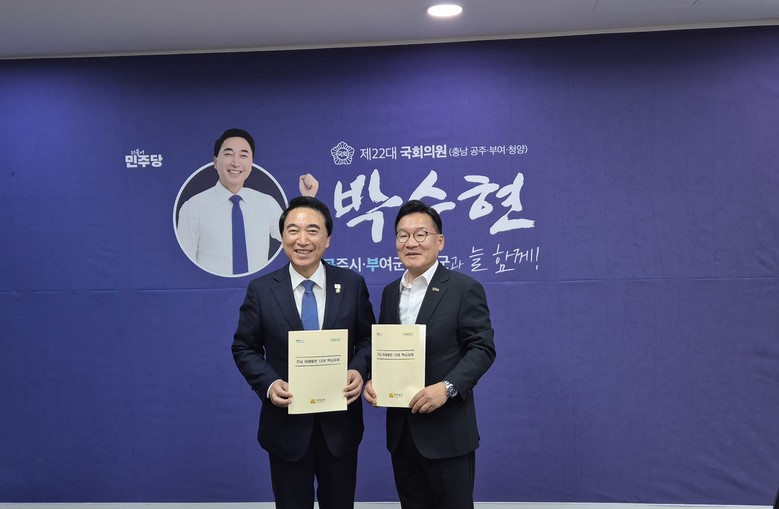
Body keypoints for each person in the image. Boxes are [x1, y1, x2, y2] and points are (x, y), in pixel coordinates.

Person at [232, 196, 374, 509]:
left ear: (327, 238)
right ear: (283, 236)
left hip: (340, 427)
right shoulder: (262, 290)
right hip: (286, 429)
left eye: (312, 230)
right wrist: (270, 384)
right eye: (293, 230)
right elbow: (244, 347)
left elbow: (368, 339)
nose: (302, 240)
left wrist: (358, 369)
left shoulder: (352, 284)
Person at [363, 199, 496, 509]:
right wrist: (375, 379)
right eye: (402, 235)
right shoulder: (390, 292)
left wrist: (446, 388)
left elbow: (482, 348)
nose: (411, 243)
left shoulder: (464, 288)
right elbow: (388, 349)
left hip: (447, 432)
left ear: (440, 241)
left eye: (421, 234)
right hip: (402, 434)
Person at [177, 128, 319, 276]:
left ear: (251, 164)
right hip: (211, 287)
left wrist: (308, 199)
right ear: (215, 162)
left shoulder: (267, 203)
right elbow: (185, 263)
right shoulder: (192, 207)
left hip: (259, 288)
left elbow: (296, 239)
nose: (236, 162)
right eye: (228, 154)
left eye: (243, 155)